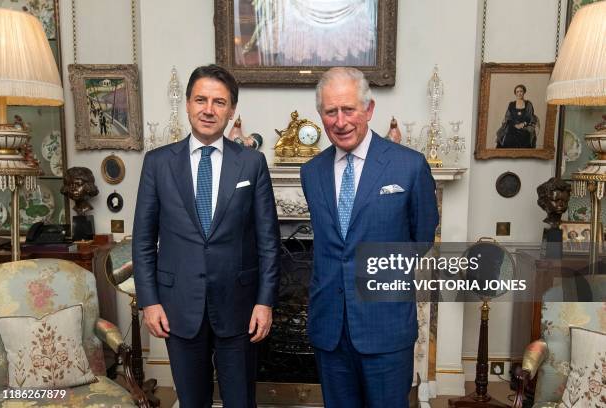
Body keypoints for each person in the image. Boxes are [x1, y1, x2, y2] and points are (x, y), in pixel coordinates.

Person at [133, 64, 280, 407]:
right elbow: (142, 241)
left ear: (231, 111)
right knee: (191, 401)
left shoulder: (252, 163)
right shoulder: (157, 164)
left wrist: (265, 302)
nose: (208, 109)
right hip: (178, 306)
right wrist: (150, 301)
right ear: (187, 104)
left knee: (241, 401)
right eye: (201, 99)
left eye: (219, 102)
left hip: (240, 308)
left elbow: (269, 242)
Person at [300, 67, 439, 408]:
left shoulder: (409, 166)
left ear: (369, 109)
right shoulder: (311, 172)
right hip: (330, 330)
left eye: (349, 109)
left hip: (385, 327)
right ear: (321, 115)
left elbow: (421, 238)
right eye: (331, 112)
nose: (340, 121)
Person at [496, 84, 539, 148]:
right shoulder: (511, 104)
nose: (519, 93)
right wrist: (515, 125)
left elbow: (530, 117)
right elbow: (508, 117)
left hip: (525, 126)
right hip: (513, 126)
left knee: (525, 137)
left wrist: (523, 124)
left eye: (521, 91)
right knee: (507, 138)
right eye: (517, 92)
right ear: (515, 93)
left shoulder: (528, 104)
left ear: (524, 92)